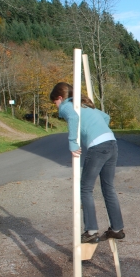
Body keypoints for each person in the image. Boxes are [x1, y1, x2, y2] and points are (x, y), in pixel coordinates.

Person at [50, 82, 125, 243]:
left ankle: (91, 231)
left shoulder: (67, 105)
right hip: (112, 143)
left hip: (98, 147)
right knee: (108, 188)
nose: (56, 107)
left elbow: (73, 117)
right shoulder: (85, 105)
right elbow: (106, 117)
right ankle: (117, 229)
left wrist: (73, 143)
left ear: (60, 97)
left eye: (54, 102)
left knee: (85, 189)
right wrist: (95, 128)